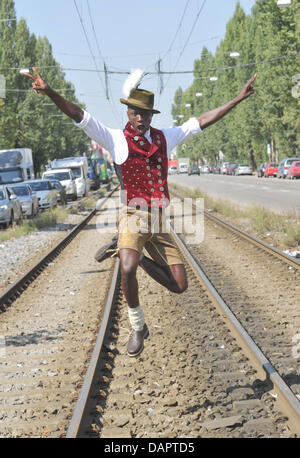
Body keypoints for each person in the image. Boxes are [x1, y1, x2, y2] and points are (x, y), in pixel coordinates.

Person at [24, 67, 256, 357]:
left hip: (158, 219)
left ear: (151, 116)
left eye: (145, 114)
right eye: (135, 113)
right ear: (128, 113)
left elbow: (201, 122)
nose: (140, 118)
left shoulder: (165, 138)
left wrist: (237, 99)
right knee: (127, 267)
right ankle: (137, 326)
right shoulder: (114, 139)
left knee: (179, 285)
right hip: (133, 215)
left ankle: (129, 252)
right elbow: (78, 114)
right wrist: (49, 92)